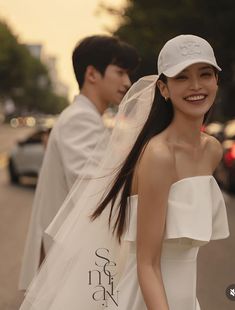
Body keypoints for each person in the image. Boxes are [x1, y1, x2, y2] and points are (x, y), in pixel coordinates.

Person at [19, 34, 229, 310]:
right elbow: (93, 193)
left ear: (217, 80)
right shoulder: (154, 153)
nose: (196, 85)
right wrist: (140, 166)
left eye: (205, 74)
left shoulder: (212, 151)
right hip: (139, 290)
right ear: (163, 89)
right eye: (181, 77)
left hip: (183, 294)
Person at [18, 35, 140, 290]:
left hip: (72, 255)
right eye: (120, 72)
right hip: (69, 259)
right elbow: (95, 192)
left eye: (128, 74)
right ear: (92, 74)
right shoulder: (80, 120)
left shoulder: (86, 118)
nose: (127, 82)